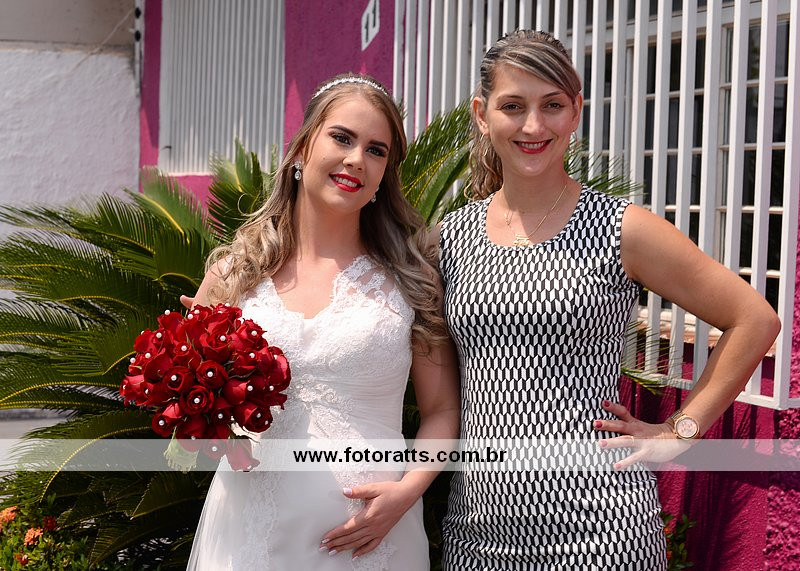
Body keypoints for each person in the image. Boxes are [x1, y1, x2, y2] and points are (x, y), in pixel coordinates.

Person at [437, 30, 780, 569]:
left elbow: (754, 319)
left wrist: (681, 430)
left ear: (576, 111)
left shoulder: (620, 228)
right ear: (482, 115)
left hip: (602, 527)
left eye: (552, 105)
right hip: (477, 531)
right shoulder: (451, 237)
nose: (533, 125)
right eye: (513, 106)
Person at [185, 73, 460, 570]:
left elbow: (442, 409)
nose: (356, 159)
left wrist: (406, 492)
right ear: (302, 148)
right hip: (251, 533)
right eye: (342, 138)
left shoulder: (412, 281)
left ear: (383, 176)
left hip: (374, 540)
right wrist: (200, 418)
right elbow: (190, 410)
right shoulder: (233, 275)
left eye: (376, 150)